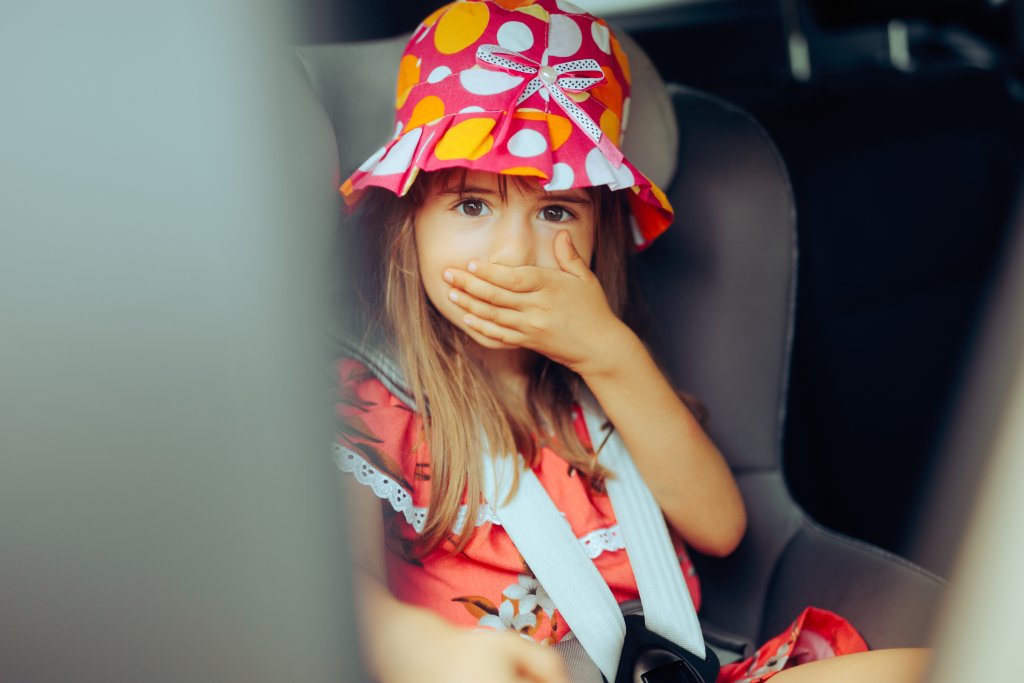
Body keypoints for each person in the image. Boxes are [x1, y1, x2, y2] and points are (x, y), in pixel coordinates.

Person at [333, 1, 930, 681]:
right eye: (472, 204)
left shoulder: (601, 380)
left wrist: (607, 353)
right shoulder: (369, 404)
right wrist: (422, 648)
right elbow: (337, 582)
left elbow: (720, 525)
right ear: (406, 222)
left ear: (597, 236)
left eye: (555, 210)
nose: (513, 250)